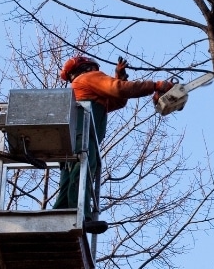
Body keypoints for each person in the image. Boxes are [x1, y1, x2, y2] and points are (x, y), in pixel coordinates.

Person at [53, 55, 173, 232]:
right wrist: (155, 86)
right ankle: (81, 216)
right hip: (83, 136)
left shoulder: (85, 89)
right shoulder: (88, 78)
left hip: (75, 136)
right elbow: (119, 90)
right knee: (83, 171)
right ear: (88, 68)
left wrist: (120, 77)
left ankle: (58, 219)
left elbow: (117, 99)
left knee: (69, 178)